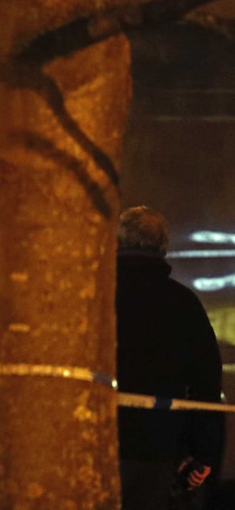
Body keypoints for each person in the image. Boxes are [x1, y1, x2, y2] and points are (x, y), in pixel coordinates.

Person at [116, 205, 223, 510]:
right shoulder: (184, 304)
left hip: (92, 443)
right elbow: (206, 382)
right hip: (159, 453)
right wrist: (204, 453)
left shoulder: (93, 299)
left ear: (116, 243)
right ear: (163, 248)